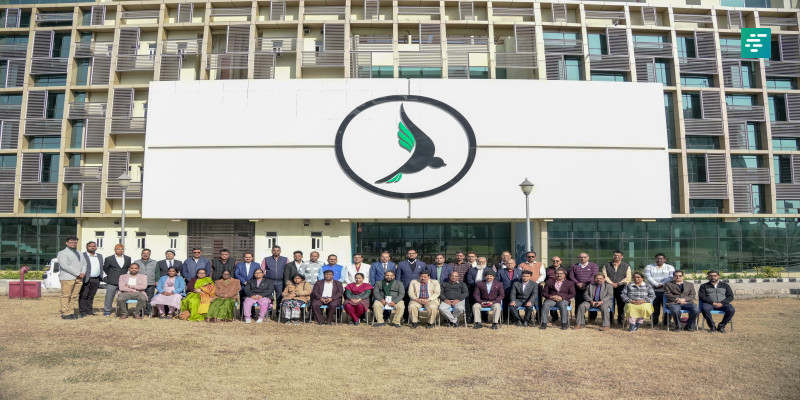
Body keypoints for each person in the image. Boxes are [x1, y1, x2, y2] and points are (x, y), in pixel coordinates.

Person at [56, 237, 86, 319]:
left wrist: (83, 272)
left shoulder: (80, 253)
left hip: (79, 278)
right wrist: (78, 273)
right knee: (66, 295)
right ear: (67, 243)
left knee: (73, 296)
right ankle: (65, 313)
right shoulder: (62, 253)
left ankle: (71, 311)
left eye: (75, 242)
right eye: (71, 242)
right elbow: (65, 265)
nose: (73, 244)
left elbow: (84, 263)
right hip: (67, 277)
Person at [644, 253, 675, 326]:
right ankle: (653, 321)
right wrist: (656, 284)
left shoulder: (670, 267)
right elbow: (648, 277)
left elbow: (671, 277)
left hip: (666, 291)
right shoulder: (649, 267)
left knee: (667, 306)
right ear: (655, 259)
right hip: (653, 290)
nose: (659, 260)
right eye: (657, 258)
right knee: (654, 306)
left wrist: (662, 284)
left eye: (661, 258)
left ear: (664, 259)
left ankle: (666, 322)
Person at [602, 250, 631, 325]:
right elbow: (604, 276)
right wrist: (611, 283)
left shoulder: (626, 266)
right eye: (615, 255)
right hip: (609, 287)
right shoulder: (607, 265)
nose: (616, 257)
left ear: (622, 256)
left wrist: (618, 283)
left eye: (618, 255)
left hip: (621, 287)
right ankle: (610, 320)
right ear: (613, 256)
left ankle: (620, 320)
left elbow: (628, 278)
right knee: (609, 303)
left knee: (621, 304)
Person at [102, 244, 131, 316]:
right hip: (112, 281)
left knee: (124, 297)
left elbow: (128, 268)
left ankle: (123, 311)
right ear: (114, 249)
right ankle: (107, 310)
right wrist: (112, 275)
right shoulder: (109, 259)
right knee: (109, 296)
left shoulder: (128, 258)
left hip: (124, 281)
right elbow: (105, 268)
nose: (120, 250)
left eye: (122, 249)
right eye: (118, 249)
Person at [569, 253, 599, 318]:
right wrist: (578, 283)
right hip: (577, 288)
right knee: (578, 302)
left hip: (590, 287)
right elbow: (571, 276)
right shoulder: (574, 266)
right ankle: (578, 317)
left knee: (591, 301)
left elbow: (594, 276)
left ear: (588, 258)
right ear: (578, 258)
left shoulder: (593, 266)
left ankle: (592, 318)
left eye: (584, 257)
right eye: (581, 257)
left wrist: (585, 284)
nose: (583, 258)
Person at [79, 241, 103, 317]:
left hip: (96, 279)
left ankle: (89, 311)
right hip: (86, 278)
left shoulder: (99, 256)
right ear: (87, 247)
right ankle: (82, 311)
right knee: (83, 295)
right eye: (90, 246)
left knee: (91, 296)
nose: (92, 247)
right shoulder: (82, 255)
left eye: (94, 246)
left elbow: (101, 267)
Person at [134, 249, 159, 315]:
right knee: (140, 297)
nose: (145, 254)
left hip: (150, 282)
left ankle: (148, 311)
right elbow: (133, 272)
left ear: (150, 254)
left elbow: (157, 272)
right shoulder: (136, 262)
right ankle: (139, 311)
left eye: (147, 253)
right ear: (141, 254)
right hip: (139, 283)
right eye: (144, 253)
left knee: (150, 297)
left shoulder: (154, 262)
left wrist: (157, 281)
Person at [541, 256, 563, 322]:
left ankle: (563, 320)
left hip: (562, 290)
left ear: (560, 261)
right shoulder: (547, 269)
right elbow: (545, 278)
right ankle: (554, 317)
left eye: (557, 261)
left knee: (561, 303)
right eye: (553, 261)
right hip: (551, 289)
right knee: (551, 301)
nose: (555, 262)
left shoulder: (565, 269)